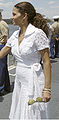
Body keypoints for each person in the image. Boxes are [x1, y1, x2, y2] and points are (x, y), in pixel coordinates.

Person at [0, 2, 51, 119]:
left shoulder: (37, 33)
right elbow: (1, 54)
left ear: (24, 16)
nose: (11, 17)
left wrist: (47, 89)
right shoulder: (15, 35)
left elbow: (46, 61)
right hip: (20, 80)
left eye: (14, 14)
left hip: (33, 80)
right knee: (20, 113)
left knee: (32, 113)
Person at [0, 11, 10, 95]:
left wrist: (6, 48)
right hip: (2, 46)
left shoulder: (1, 23)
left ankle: (1, 89)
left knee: (1, 68)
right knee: (3, 68)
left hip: (1, 46)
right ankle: (7, 86)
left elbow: (5, 36)